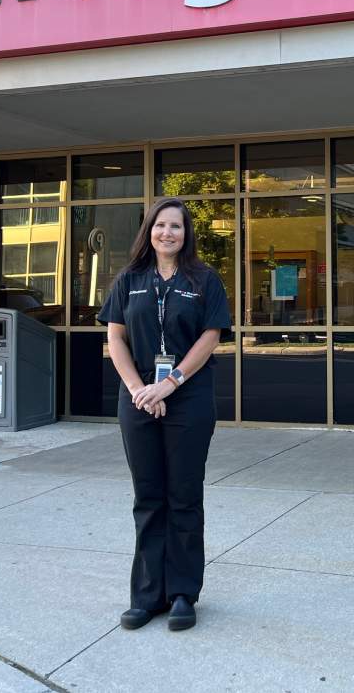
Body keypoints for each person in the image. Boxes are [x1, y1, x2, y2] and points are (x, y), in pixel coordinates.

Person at [98, 198, 231, 632]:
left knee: (184, 496)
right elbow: (115, 338)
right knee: (148, 496)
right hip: (138, 400)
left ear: (186, 233)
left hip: (187, 399)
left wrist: (169, 382)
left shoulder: (204, 279)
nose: (168, 232)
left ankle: (182, 595)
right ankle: (146, 595)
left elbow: (210, 337)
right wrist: (140, 389)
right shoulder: (129, 279)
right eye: (160, 225)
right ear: (149, 231)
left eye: (176, 226)